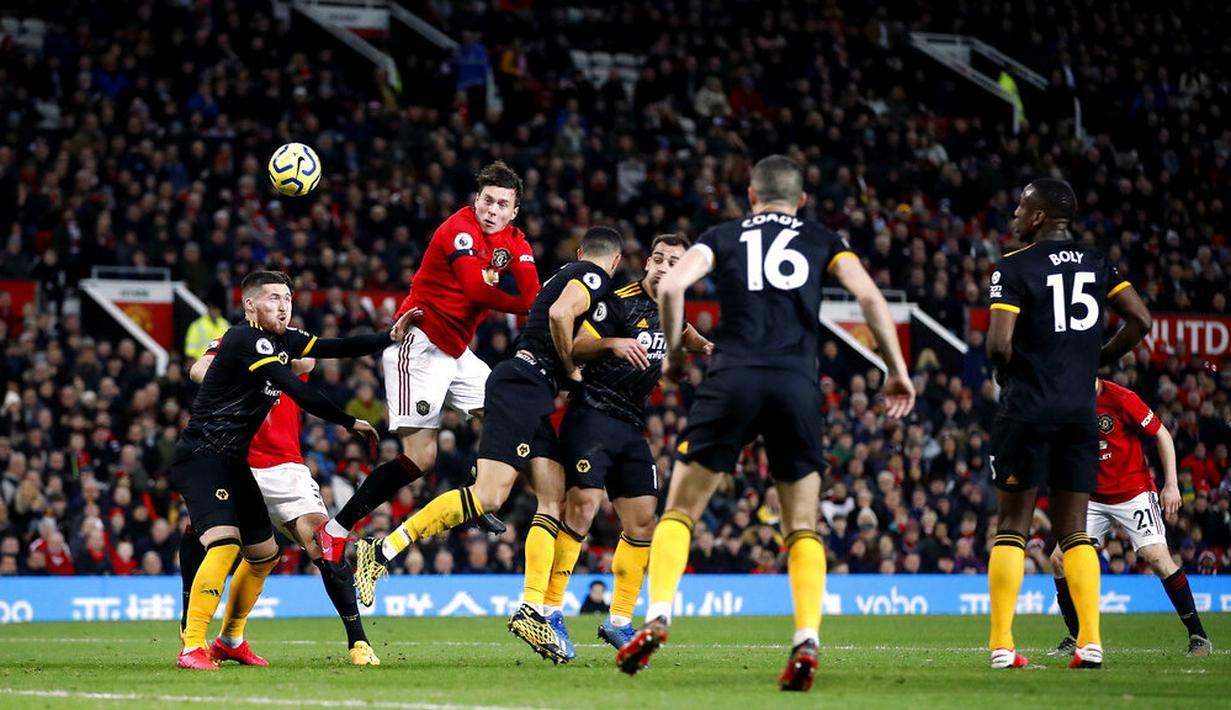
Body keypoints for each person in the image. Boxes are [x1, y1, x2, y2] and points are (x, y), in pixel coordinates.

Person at [615, 155, 916, 691]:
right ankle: (805, 639)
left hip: (732, 377)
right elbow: (870, 297)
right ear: (800, 200)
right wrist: (894, 370)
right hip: (796, 383)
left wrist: (675, 359)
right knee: (802, 524)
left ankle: (658, 614)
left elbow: (670, 288)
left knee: (681, 511)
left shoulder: (724, 235)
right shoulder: (823, 238)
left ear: (751, 196)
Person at [352, 226, 624, 664]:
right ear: (612, 261)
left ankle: (532, 608)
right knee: (490, 496)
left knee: (553, 498)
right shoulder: (593, 277)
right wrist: (572, 369)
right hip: (522, 384)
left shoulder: (563, 273)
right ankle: (381, 551)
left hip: (529, 388)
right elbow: (558, 317)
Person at [171, 270, 414, 671]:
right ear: (250, 304)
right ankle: (191, 643)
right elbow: (214, 371)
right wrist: (347, 420)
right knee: (222, 543)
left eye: (287, 297)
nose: (283, 305)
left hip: (251, 462)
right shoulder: (243, 340)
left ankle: (230, 640)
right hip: (207, 454)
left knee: (266, 553)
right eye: (273, 298)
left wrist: (389, 335)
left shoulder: (284, 341)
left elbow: (332, 349)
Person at [316, 161, 540, 558]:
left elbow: (534, 295)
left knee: (508, 413)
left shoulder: (516, 242)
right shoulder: (458, 230)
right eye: (487, 200)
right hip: (420, 344)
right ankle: (336, 529)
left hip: (456, 352)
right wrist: (526, 308)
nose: (492, 210)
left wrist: (534, 306)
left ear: (514, 211)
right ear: (477, 199)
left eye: (502, 204)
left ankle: (478, 490)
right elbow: (475, 289)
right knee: (421, 458)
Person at [983, 178, 1151, 670]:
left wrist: (1009, 375)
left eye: (1021, 205)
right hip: (1080, 411)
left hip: (1026, 409)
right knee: (1075, 531)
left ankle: (1000, 645)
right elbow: (1140, 320)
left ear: (1038, 217)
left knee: (1012, 526)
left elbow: (997, 345)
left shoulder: (1014, 267)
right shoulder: (1098, 263)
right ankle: (1091, 642)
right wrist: (1095, 363)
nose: (1014, 213)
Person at [542, 234, 712, 657]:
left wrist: (706, 345)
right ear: (648, 262)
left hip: (632, 425)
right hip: (591, 415)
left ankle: (618, 620)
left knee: (643, 523)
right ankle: (548, 611)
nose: (662, 266)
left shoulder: (673, 308)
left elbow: (683, 332)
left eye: (674, 261)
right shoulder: (617, 300)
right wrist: (614, 342)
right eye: (658, 258)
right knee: (581, 506)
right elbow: (578, 344)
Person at [1048, 378, 1212, 657]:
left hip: (1132, 492)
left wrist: (1171, 484)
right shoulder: (1066, 400)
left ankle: (1199, 635)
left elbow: (1162, 434)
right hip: (1092, 497)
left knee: (1157, 557)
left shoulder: (1122, 398)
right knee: (1060, 560)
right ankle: (1076, 636)